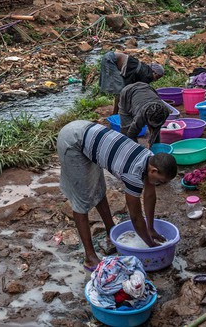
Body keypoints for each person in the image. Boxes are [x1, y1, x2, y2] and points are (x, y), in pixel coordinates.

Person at [57, 120, 178, 271]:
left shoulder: (150, 157)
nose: (160, 185)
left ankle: (110, 231)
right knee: (81, 200)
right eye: (160, 181)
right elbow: (135, 217)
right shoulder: (133, 173)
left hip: (87, 132)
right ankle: (90, 257)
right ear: (153, 171)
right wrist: (151, 245)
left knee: (98, 188)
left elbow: (149, 196)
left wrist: (151, 228)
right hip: (73, 140)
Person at [116, 82, 170, 147]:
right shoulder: (140, 116)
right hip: (127, 93)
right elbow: (131, 134)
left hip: (146, 88)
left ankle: (155, 147)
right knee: (126, 129)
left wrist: (151, 143)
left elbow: (156, 129)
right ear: (146, 118)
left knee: (156, 130)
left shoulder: (165, 111)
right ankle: (126, 149)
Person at [99, 51, 165, 95]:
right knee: (120, 90)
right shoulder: (147, 75)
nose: (156, 80)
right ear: (154, 72)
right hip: (110, 59)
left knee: (121, 88)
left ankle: (118, 109)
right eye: (157, 77)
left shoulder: (145, 69)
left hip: (110, 56)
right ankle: (116, 113)